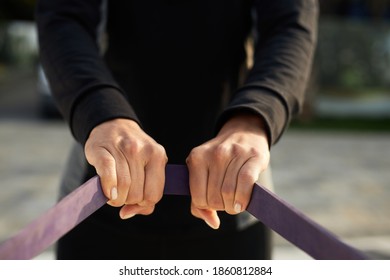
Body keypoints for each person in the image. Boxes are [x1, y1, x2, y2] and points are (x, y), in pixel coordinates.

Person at [35, 0, 318, 260]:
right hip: (98, 195)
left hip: (237, 201)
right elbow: (64, 16)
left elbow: (289, 24)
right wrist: (103, 113)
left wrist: (253, 117)